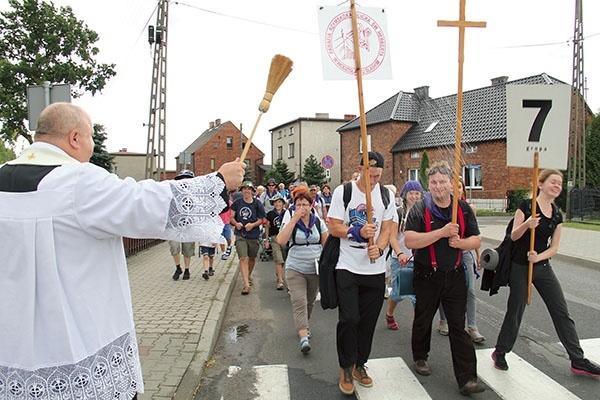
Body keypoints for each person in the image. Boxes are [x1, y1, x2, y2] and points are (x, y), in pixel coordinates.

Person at [0, 102, 245, 400]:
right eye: (90, 138)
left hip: (12, 346)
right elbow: (142, 201)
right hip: (77, 344)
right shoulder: (76, 181)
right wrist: (218, 182)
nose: (91, 147)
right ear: (75, 138)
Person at [492, 169, 600, 377]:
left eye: (560, 183)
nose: (557, 185)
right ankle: (501, 351)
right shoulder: (526, 206)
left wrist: (539, 257)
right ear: (540, 184)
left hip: (541, 266)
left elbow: (554, 248)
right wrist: (527, 224)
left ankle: (577, 359)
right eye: (553, 182)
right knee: (516, 310)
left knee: (561, 310)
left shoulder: (557, 214)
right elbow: (513, 236)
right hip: (520, 267)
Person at [404, 160, 485, 396]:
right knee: (423, 318)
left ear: (451, 184)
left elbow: (477, 240)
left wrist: (461, 243)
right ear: (428, 185)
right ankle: (420, 356)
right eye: (433, 182)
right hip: (427, 273)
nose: (438, 187)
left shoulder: (463, 209)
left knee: (458, 327)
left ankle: (467, 378)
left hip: (456, 275)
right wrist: (441, 233)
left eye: (442, 182)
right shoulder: (420, 208)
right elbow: (410, 240)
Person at [327, 151, 394, 395]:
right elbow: (333, 226)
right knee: (348, 318)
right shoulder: (343, 193)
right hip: (347, 265)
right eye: (370, 175)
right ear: (360, 169)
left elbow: (389, 226)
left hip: (374, 270)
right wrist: (356, 233)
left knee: (367, 321)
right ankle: (346, 366)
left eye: (378, 176)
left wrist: (381, 246)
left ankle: (359, 364)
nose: (374, 180)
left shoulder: (385, 195)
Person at [277, 191, 328, 353]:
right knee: (298, 301)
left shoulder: (318, 222)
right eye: (298, 205)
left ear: (311, 205)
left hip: (314, 268)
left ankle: (304, 325)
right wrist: (294, 219)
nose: (302, 208)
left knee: (310, 301)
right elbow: (281, 241)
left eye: (305, 204)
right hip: (295, 267)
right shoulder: (291, 220)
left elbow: (326, 243)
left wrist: (328, 265)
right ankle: (303, 337)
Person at [437, 177, 485, 342]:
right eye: (453, 185)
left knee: (470, 289)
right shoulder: (441, 207)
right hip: (446, 253)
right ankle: (444, 320)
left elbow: (474, 234)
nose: (456, 189)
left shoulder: (468, 208)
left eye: (459, 186)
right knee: (444, 289)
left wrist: (477, 253)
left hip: (464, 252)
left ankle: (472, 326)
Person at [385, 180, 422, 330]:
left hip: (419, 259)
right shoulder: (398, 213)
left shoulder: (423, 212)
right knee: (398, 293)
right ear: (405, 195)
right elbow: (392, 237)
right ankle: (389, 313)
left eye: (417, 193)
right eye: (411, 193)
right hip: (399, 259)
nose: (414, 196)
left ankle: (418, 328)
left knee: (417, 296)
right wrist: (400, 254)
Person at [230, 181, 266, 295]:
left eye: (249, 189)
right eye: (244, 189)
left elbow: (261, 219)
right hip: (241, 234)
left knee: (252, 258)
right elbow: (231, 217)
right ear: (241, 191)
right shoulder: (237, 203)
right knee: (243, 258)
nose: (246, 191)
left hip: (253, 235)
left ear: (252, 191)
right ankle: (246, 284)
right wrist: (236, 223)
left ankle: (248, 275)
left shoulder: (257, 203)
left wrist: (253, 225)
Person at [169, 169, 197, 280]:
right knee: (174, 247)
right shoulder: (174, 194)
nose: (184, 181)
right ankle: (177, 267)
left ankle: (187, 269)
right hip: (175, 225)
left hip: (189, 225)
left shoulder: (195, 195)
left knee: (188, 248)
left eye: (187, 179)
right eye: (182, 179)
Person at [264, 193, 288, 290]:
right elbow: (267, 227)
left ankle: (278, 272)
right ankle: (281, 280)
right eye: (275, 203)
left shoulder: (287, 213)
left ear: (283, 204)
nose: (277, 204)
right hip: (275, 238)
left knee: (284, 258)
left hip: (285, 238)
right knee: (278, 258)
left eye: (279, 202)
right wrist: (266, 240)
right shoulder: (270, 214)